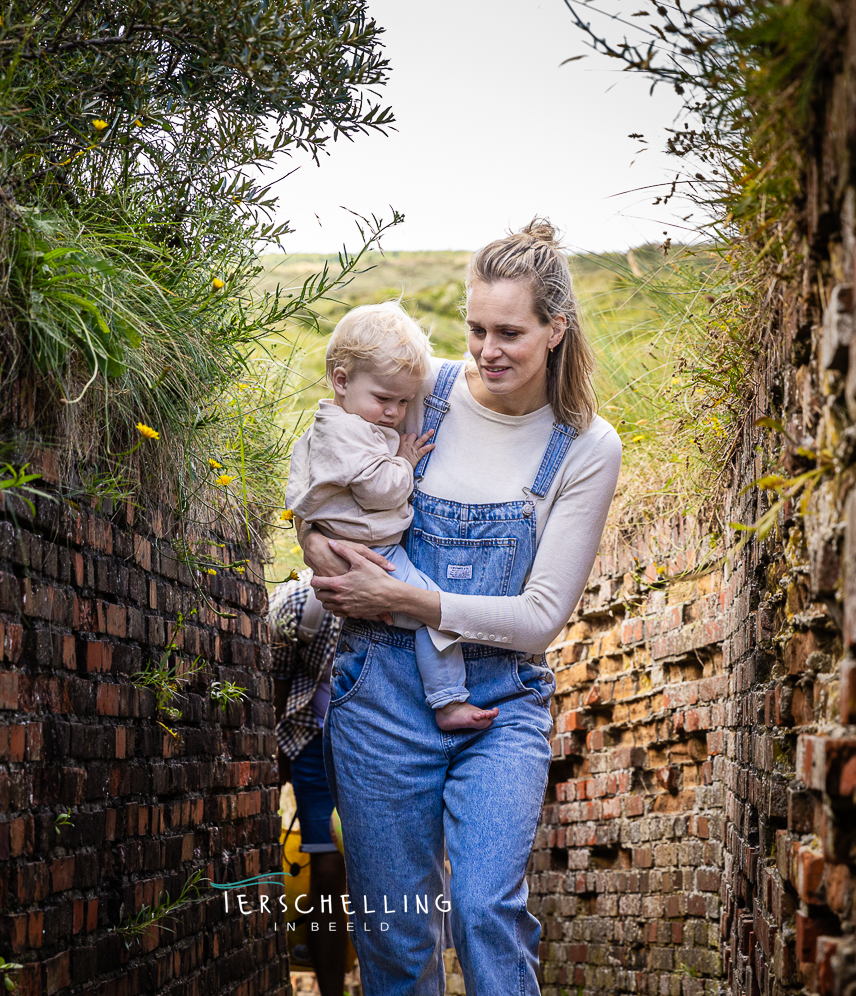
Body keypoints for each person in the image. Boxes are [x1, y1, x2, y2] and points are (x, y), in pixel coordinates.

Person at [301, 220, 622, 994]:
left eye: (510, 331)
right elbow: (331, 478)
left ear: (555, 329)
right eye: (476, 328)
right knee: (398, 933)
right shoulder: (424, 395)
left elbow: (541, 617)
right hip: (378, 693)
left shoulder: (584, 446)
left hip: (502, 700)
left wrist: (408, 597)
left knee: (484, 910)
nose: (486, 350)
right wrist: (314, 538)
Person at [286, 302, 496, 731]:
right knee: (432, 613)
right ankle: (448, 700)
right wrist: (404, 461)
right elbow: (380, 490)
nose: (395, 413)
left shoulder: (330, 424)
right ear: (341, 381)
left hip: (353, 545)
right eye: (384, 398)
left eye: (403, 401)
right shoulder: (348, 435)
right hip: (371, 551)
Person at [269, 576, 349, 996]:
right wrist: (277, 764)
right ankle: (333, 991)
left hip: (379, 745)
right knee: (329, 871)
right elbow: (277, 691)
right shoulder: (302, 604)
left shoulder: (407, 582)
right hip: (314, 746)